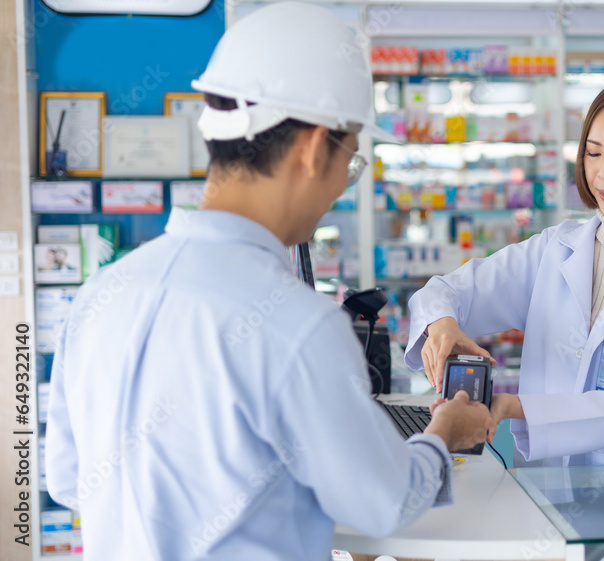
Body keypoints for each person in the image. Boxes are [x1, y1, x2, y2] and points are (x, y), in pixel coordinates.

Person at [44, 4, 491, 561]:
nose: (340, 189)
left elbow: (66, 479)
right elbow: (383, 503)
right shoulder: (297, 323)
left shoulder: (101, 293)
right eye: (350, 163)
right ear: (310, 150)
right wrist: (446, 432)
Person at [406, 77, 604, 466]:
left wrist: (510, 405)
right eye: (593, 153)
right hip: (545, 483)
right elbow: (447, 291)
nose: (603, 173)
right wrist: (442, 325)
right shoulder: (555, 249)